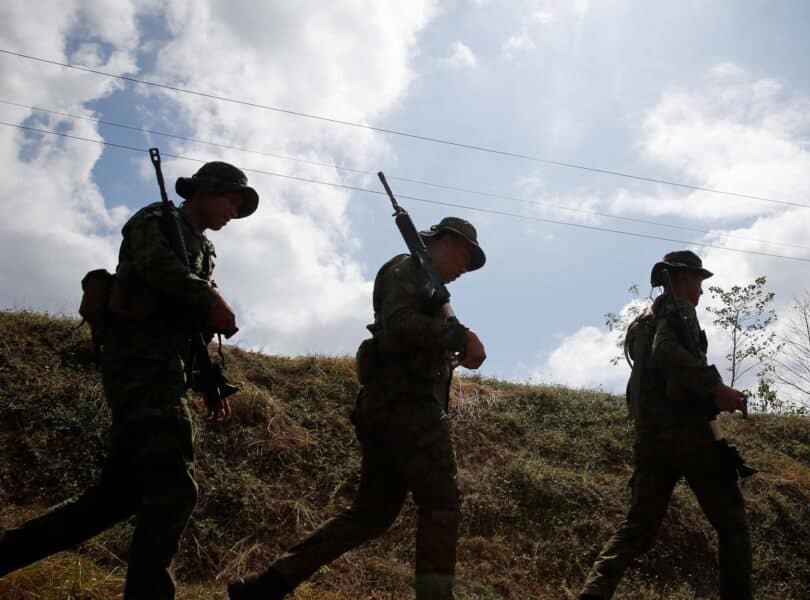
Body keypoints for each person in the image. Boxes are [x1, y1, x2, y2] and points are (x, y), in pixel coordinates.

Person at [0, 160, 258, 599]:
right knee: (174, 488)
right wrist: (209, 295)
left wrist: (212, 384)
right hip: (140, 366)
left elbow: (190, 327)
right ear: (206, 191)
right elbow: (154, 267)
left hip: (164, 369)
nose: (233, 212)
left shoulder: (202, 247)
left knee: (114, 499)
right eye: (231, 200)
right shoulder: (156, 221)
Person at [229, 217, 487, 600]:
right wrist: (458, 336)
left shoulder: (427, 286)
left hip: (390, 410)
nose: (465, 269)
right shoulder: (407, 268)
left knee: (371, 515)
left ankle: (268, 586)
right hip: (408, 410)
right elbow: (398, 324)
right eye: (466, 256)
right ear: (446, 241)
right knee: (441, 504)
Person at [578, 250, 753, 600]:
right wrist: (716, 389)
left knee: (638, 527)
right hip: (688, 435)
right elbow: (668, 353)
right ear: (683, 278)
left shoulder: (644, 320)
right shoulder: (678, 310)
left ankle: (593, 593)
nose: (701, 292)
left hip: (651, 439)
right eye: (699, 282)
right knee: (733, 526)